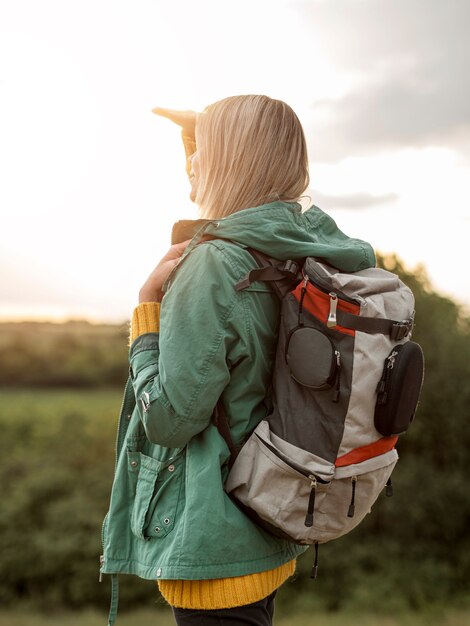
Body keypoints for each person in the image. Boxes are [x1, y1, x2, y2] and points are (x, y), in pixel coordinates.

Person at [100, 95, 376, 626]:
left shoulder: (215, 263)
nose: (191, 166)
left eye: (200, 153)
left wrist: (146, 318)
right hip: (267, 513)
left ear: (230, 159)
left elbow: (170, 419)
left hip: (215, 541)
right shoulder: (298, 252)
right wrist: (198, 133)